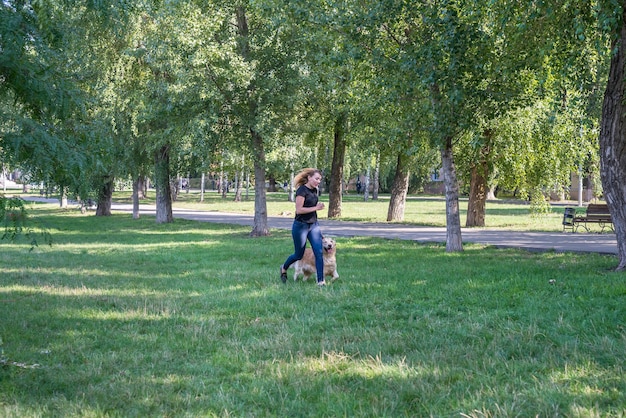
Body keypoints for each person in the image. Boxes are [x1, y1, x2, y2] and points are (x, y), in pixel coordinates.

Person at [280, 168, 326, 286]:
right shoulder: (301, 190)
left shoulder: (315, 190)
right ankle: (284, 268)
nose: (318, 181)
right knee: (299, 254)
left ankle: (321, 281)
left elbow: (312, 209)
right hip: (301, 226)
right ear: (309, 178)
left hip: (313, 225)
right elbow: (299, 210)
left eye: (319, 179)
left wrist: (319, 232)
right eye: (316, 178)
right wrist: (316, 208)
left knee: (319, 252)